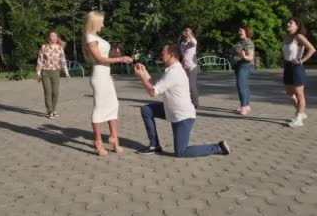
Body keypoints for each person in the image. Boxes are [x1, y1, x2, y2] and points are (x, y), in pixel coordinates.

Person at [134, 44, 230, 157]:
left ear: (171, 55)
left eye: (162, 53)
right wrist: (144, 72)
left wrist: (141, 78)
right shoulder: (172, 69)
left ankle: (218, 147)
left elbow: (153, 92)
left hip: (183, 116)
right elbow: (157, 86)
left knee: (181, 152)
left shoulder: (174, 72)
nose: (161, 55)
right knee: (147, 110)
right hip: (171, 110)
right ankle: (154, 145)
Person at [84, 11, 133, 156]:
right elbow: (99, 59)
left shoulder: (97, 37)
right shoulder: (90, 38)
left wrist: (115, 55)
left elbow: (105, 57)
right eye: (102, 22)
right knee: (100, 107)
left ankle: (113, 137)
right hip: (99, 75)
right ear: (95, 22)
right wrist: (121, 59)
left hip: (105, 74)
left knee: (113, 104)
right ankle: (98, 141)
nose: (103, 24)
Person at [283, 17, 316, 128]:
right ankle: (301, 113)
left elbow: (312, 49)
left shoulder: (299, 36)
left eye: (290, 22)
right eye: (288, 22)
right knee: (289, 93)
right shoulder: (287, 37)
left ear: (297, 26)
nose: (288, 24)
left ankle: (299, 118)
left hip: (296, 67)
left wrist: (301, 60)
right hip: (287, 66)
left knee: (299, 94)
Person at [36, 31, 70, 119]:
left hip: (56, 72)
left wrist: (66, 72)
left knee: (55, 92)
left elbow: (63, 60)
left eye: (56, 36)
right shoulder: (44, 47)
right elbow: (40, 60)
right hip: (45, 72)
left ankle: (54, 110)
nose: (54, 37)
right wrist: (38, 72)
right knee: (48, 92)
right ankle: (49, 111)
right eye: (52, 35)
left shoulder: (60, 48)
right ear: (48, 37)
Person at [233, 26, 254, 115]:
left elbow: (250, 57)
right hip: (238, 65)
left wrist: (244, 56)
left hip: (246, 65)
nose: (239, 32)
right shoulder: (239, 42)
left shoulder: (248, 42)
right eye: (238, 31)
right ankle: (246, 106)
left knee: (241, 85)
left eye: (241, 31)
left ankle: (244, 107)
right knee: (244, 86)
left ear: (246, 32)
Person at [179, 28, 199, 108]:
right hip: (184, 66)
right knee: (184, 85)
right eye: (185, 31)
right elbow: (183, 55)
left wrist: (189, 35)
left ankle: (195, 103)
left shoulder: (193, 42)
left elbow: (194, 42)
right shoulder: (182, 44)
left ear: (191, 34)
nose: (186, 33)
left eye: (188, 32)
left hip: (192, 67)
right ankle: (187, 101)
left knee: (191, 85)